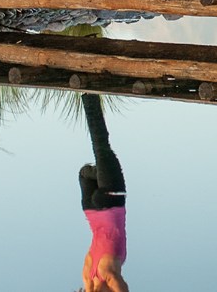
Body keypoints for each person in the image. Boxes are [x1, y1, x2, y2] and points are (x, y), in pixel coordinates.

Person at [78, 93, 129, 291]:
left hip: (111, 200)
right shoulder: (87, 278)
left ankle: (89, 94)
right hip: (90, 208)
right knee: (84, 172)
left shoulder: (109, 274)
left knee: (101, 147)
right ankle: (96, 171)